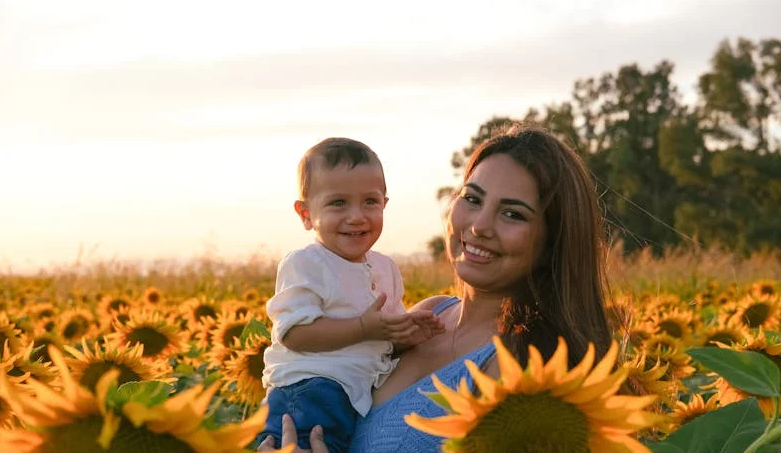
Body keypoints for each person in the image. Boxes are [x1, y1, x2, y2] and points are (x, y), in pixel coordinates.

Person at [260, 125, 614, 452]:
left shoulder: (528, 369)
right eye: (472, 199)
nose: (479, 226)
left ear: (553, 241)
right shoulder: (429, 314)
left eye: (512, 214)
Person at [258, 138, 445, 453]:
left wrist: (406, 334)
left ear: (384, 205)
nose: (356, 216)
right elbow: (294, 334)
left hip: (355, 395)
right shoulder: (306, 264)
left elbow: (383, 338)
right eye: (338, 203)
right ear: (305, 214)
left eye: (370, 201)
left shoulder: (386, 268)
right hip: (310, 392)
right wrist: (363, 327)